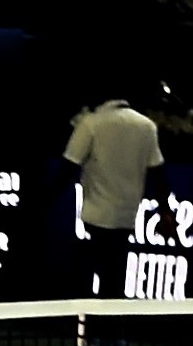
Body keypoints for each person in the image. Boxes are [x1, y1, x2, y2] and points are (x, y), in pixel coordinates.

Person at [61, 86, 167, 297]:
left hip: (96, 215)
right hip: (126, 217)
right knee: (115, 279)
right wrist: (165, 212)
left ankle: (82, 324)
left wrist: (42, 204)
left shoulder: (91, 123)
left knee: (83, 275)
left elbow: (68, 168)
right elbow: (157, 173)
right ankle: (111, 326)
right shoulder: (146, 126)